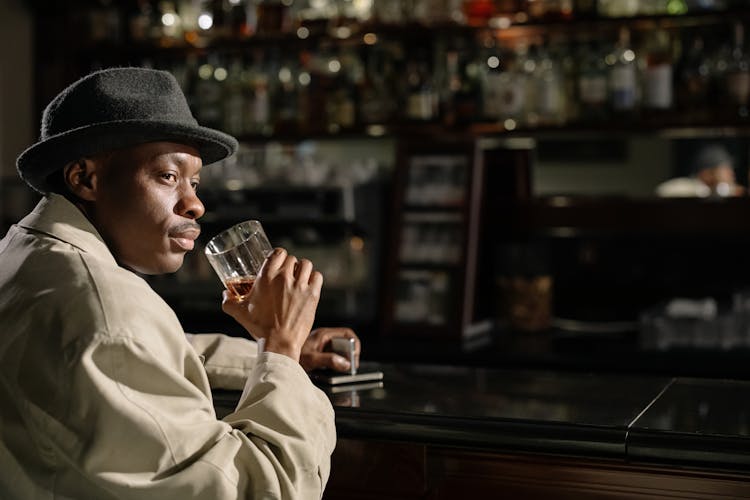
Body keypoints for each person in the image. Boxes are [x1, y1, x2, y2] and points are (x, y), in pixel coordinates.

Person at [0, 67, 360, 499]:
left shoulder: (25, 254)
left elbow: (152, 349)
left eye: (194, 182)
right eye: (168, 176)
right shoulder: (106, 308)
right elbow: (263, 488)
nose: (195, 205)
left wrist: (283, 353)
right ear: (85, 178)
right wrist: (280, 345)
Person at [656, 143, 744, 198]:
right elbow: (662, 192)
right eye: (725, 168)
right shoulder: (681, 187)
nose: (731, 173)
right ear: (706, 173)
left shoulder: (722, 189)